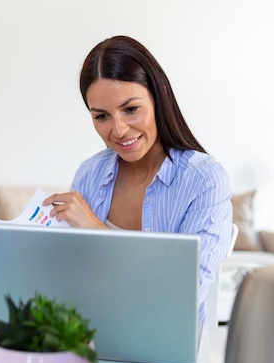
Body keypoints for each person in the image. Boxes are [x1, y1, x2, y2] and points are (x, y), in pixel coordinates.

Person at [43, 35, 232, 326]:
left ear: (159, 97)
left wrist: (96, 230)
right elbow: (75, 279)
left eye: (131, 109)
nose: (118, 130)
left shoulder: (204, 180)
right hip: (91, 336)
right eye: (102, 116)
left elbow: (180, 295)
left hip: (167, 350)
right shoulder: (89, 174)